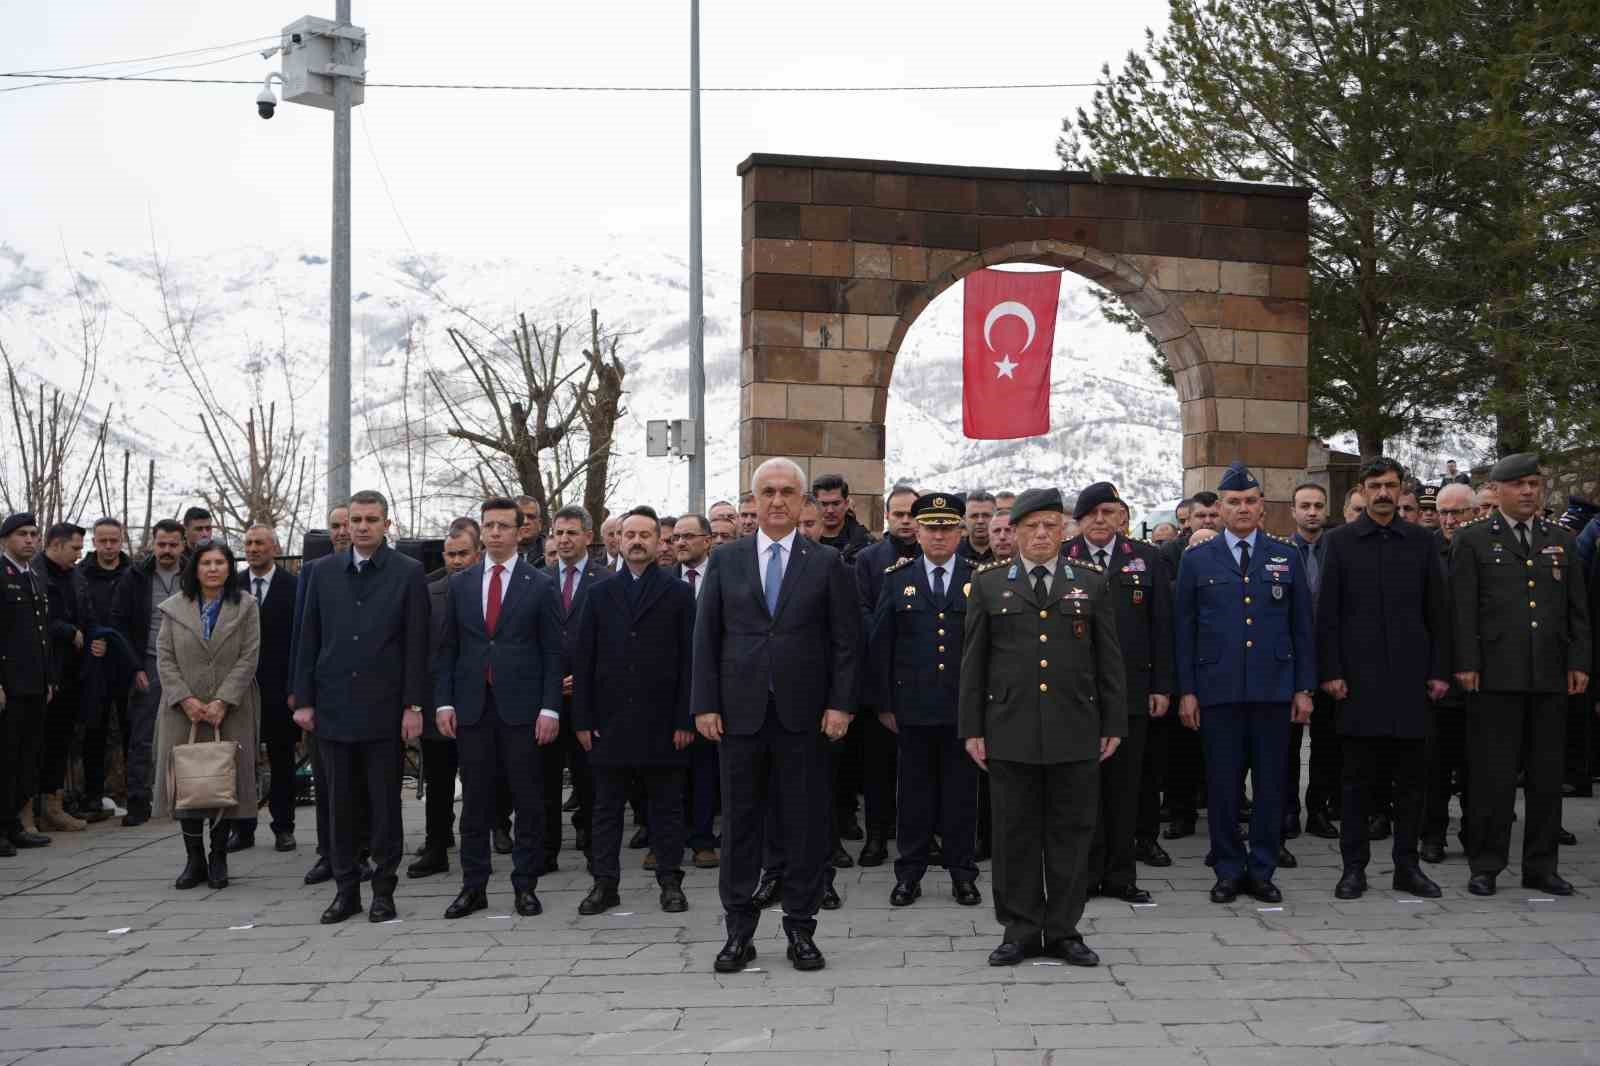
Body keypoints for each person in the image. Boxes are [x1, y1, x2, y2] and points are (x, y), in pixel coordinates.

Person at [692, 457, 862, 974]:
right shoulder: (727, 560)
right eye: (767, 491)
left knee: (804, 825)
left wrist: (840, 705)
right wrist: (704, 703)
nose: (778, 500)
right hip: (739, 716)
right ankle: (738, 931)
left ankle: (801, 929)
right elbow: (707, 636)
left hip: (804, 717)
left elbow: (846, 642)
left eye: (789, 491)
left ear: (803, 501)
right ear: (753, 500)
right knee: (741, 825)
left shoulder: (826, 562)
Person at [960, 488, 1125, 967]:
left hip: (1075, 726)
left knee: (1072, 833)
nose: (1040, 534)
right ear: (1013, 532)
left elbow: (1108, 659)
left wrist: (1113, 720)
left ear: (1064, 530)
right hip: (1008, 727)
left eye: (1050, 525)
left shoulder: (1090, 583)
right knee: (1014, 834)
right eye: (1031, 526)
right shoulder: (990, 583)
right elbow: (974, 663)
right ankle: (1020, 929)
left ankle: (1065, 930)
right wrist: (971, 727)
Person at [1175, 462, 1315, 905]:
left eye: (1250, 501)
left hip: (1274, 689)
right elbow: (1185, 629)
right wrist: (1188, 691)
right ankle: (1228, 868)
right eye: (1233, 502)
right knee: (1222, 785)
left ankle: (1262, 868)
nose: (1242, 509)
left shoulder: (1285, 556)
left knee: (1272, 785)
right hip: (1217, 690)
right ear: (1219, 508)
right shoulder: (1197, 559)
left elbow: (1302, 629)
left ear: (1262, 509)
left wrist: (1303, 689)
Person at [1450, 453, 1590, 896]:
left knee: (1547, 776)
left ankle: (1541, 866)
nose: (1529, 491)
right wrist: (1467, 664)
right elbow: (1464, 610)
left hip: (1549, 674)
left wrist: (1579, 662)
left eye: (1534, 483)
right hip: (1495, 675)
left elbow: (1577, 611)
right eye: (1519, 484)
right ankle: (1487, 864)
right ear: (1497, 490)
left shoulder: (1560, 540)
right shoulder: (1473, 540)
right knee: (1494, 775)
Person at [1317, 458, 1450, 900]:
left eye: (1390, 486)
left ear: (1400, 490)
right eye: (1375, 486)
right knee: (1356, 782)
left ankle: (1406, 867)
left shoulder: (1421, 542)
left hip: (1412, 681)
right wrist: (1332, 671)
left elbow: (1438, 613)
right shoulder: (1340, 542)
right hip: (1359, 681)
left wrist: (1437, 671)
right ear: (1362, 489)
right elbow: (1328, 615)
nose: (1383, 494)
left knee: (1413, 782)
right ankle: (1353, 868)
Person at [294, 490, 430, 924]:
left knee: (385, 805)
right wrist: (304, 700)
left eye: (373, 519)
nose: (364, 526)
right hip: (333, 708)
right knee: (339, 805)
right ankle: (345, 890)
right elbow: (307, 637)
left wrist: (414, 705)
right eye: (357, 519)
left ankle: (383, 891)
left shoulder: (408, 573)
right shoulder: (322, 572)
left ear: (387, 525)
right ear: (346, 524)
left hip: (385, 709)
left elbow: (416, 644)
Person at [433, 497, 563, 919]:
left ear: (519, 530)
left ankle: (525, 885)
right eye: (488, 526)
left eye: (503, 526)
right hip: (472, 707)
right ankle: (474, 886)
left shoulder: (539, 584)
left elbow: (551, 651)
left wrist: (550, 709)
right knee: (475, 803)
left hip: (523, 710)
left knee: (528, 800)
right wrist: (444, 701)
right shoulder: (461, 583)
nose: (494, 533)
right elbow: (448, 648)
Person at [574, 506, 696, 914]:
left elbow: (689, 660)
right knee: (605, 808)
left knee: (666, 807)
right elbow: (584, 661)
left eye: (646, 534)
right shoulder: (598, 593)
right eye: (630, 535)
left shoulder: (678, 593)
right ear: (618, 541)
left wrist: (685, 719)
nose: (637, 541)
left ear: (660, 542)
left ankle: (670, 881)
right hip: (609, 722)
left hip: (663, 721)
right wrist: (584, 719)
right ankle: (605, 883)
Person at [869, 493, 981, 908]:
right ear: (916, 531)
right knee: (913, 797)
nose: (939, 536)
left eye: (947, 528)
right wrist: (883, 703)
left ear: (960, 532)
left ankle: (962, 874)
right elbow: (881, 645)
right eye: (931, 528)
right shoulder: (897, 578)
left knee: (961, 797)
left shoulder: (979, 577)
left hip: (962, 709)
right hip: (911, 710)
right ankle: (909, 874)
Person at [1065, 483, 1174, 902]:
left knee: (1126, 788)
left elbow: (1162, 626)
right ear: (1079, 519)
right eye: (1091, 512)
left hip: (1131, 690)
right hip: (1077, 694)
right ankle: (1087, 874)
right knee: (1083, 789)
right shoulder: (1064, 558)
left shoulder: (1145, 559)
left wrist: (1163, 685)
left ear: (1121, 517)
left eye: (1108, 512)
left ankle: (1121, 875)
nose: (1099, 519)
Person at [155, 540, 260, 891]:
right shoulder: (173, 608)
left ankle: (218, 857)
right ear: (194, 568)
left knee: (221, 781)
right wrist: (184, 698)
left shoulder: (245, 606)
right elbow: (164, 657)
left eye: (220, 562)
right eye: (206, 563)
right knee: (189, 782)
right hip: (182, 710)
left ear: (230, 567)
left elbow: (249, 656)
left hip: (229, 710)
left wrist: (222, 701)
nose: (213, 569)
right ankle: (193, 859)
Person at [292, 505, 369, 887]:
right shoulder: (313, 573)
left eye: (347, 524)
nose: (342, 532)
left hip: (371, 697)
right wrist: (300, 693)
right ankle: (330, 853)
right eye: (336, 526)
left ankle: (363, 851)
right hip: (326, 697)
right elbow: (304, 636)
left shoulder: (386, 570)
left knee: (367, 782)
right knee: (327, 781)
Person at [849, 484, 921, 866]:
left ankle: (922, 836)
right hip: (881, 675)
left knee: (921, 769)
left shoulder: (937, 555)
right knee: (878, 768)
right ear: (887, 518)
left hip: (927, 678)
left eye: (913, 514)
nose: (906, 521)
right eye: (899, 514)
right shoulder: (868, 559)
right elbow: (860, 612)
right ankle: (876, 836)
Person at [223, 525, 299, 854]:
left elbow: (300, 641)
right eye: (248, 543)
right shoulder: (231, 587)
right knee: (242, 760)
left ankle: (284, 826)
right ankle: (243, 827)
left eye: (260, 543)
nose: (253, 549)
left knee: (282, 759)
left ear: (275, 548)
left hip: (279, 687)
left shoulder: (294, 586)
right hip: (239, 688)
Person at [410, 524, 480, 880]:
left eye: (462, 554)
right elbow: (419, 652)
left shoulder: (490, 589)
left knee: (481, 778)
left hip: (481, 703)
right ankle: (437, 844)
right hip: (438, 702)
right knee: (438, 781)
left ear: (477, 554)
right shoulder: (428, 593)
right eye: (450, 555)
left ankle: (479, 843)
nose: (456, 561)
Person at [111, 518, 186, 827]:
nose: (166, 551)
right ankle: (138, 802)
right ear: (153, 544)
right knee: (142, 736)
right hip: (150, 664)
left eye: (173, 544)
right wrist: (134, 666)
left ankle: (189, 798)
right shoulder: (135, 576)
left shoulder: (196, 573)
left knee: (188, 735)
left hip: (188, 665)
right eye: (161, 544)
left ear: (183, 544)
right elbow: (119, 624)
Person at [547, 505, 608, 868]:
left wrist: (584, 678)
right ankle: (546, 848)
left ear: (588, 536)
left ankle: (594, 848)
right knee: (545, 780)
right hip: (549, 696)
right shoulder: (537, 580)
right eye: (559, 533)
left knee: (591, 779)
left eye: (572, 532)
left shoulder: (605, 580)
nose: (565, 539)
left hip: (591, 696)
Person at [1160, 491, 1220, 840]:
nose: (1208, 521)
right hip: (1183, 662)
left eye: (1213, 516)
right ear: (1189, 520)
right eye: (1202, 516)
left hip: (1219, 666)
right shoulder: (1170, 553)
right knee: (1181, 750)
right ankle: (1180, 813)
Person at [1422, 482, 1476, 862]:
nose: (1449, 519)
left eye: (1458, 512)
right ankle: (1433, 835)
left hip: (1481, 677)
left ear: (1473, 513)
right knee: (1434, 766)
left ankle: (1476, 834)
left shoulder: (1487, 549)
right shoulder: (1426, 552)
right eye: (1444, 512)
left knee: (1478, 766)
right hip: (1438, 674)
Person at [1287, 483, 1341, 841]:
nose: (1312, 512)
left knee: (1327, 742)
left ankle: (1318, 809)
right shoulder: (1278, 551)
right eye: (1305, 505)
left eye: (1318, 505)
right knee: (1286, 744)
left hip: (1330, 660)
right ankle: (1288, 811)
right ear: (1293, 511)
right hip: (1289, 663)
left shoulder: (1339, 551)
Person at [0, 513, 54, 855]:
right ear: (5, 539)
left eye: (35, 534)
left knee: (27, 758)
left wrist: (49, 678)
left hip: (35, 683)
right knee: (6, 757)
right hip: (10, 685)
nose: (30, 540)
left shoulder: (33, 576)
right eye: (23, 534)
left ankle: (13, 823)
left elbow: (41, 634)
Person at [74, 517, 131, 824]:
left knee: (132, 728)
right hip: (93, 663)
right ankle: (93, 796)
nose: (108, 546)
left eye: (113, 540)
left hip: (126, 661)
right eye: (102, 541)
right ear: (94, 542)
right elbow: (78, 612)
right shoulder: (80, 574)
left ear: (121, 540)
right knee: (94, 730)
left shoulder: (133, 573)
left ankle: (136, 794)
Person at [33, 523, 87, 834]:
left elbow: (84, 612)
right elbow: (37, 620)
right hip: (45, 669)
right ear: (55, 544)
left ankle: (54, 806)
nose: (79, 555)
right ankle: (31, 811)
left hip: (72, 671)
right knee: (39, 743)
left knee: (60, 741)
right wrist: (68, 631)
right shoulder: (37, 573)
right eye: (75, 548)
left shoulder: (74, 576)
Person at [673, 514, 720, 867]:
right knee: (669, 772)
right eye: (676, 538)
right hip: (670, 689)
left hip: (710, 686)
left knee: (705, 768)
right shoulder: (662, 581)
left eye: (689, 536)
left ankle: (704, 840)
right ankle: (667, 841)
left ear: (707, 540)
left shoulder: (723, 577)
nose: (681, 543)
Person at [812, 474, 875, 564]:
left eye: (836, 503)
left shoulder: (865, 542)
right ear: (814, 505)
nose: (830, 510)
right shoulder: (803, 539)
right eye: (824, 504)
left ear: (846, 504)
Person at [958, 491, 998, 566]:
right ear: (964, 519)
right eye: (974, 516)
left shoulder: (1009, 551)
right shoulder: (953, 553)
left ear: (996, 518)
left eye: (986, 515)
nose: (980, 521)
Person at [516, 495, 546, 567]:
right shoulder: (493, 556)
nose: (525, 522)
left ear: (539, 524)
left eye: (531, 517)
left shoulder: (555, 554)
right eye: (520, 517)